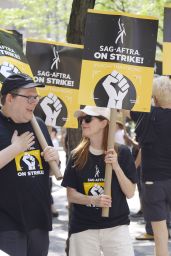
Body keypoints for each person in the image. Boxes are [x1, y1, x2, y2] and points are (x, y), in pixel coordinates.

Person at [61, 105, 137, 256]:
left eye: (88, 119)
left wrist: (116, 166)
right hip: (84, 228)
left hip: (116, 226)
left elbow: (130, 193)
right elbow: (71, 195)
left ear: (104, 123)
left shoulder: (121, 153)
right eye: (81, 119)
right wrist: (93, 200)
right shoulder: (77, 154)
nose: (83, 123)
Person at [0, 73, 60, 256]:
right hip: (6, 222)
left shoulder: (39, 125)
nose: (34, 102)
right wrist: (16, 148)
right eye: (29, 97)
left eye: (36, 97)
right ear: (10, 98)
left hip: (38, 220)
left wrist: (54, 159)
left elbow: (48, 171)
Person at [129, 76, 171, 256]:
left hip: (153, 182)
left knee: (160, 237)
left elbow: (127, 106)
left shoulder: (147, 116)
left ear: (154, 96)